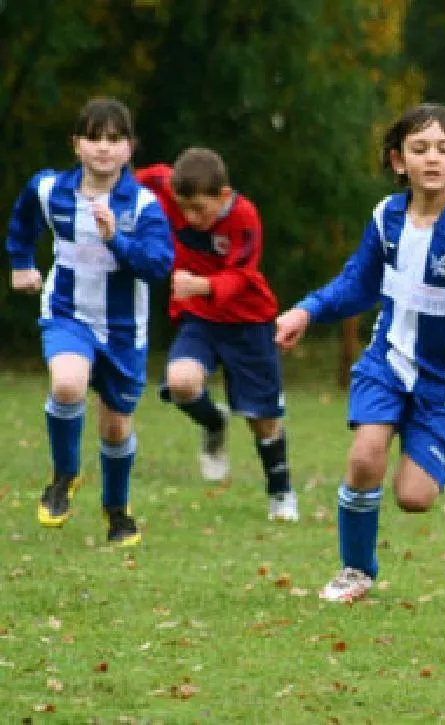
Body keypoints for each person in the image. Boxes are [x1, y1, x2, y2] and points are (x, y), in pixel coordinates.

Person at [275, 103, 445, 602]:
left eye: (443, 148)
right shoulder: (386, 218)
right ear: (399, 161)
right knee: (364, 457)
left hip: (444, 385)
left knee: (414, 497)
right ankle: (356, 570)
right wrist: (306, 312)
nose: (432, 158)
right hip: (388, 362)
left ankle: (439, 444)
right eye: (420, 149)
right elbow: (358, 283)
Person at [5, 96, 174, 546]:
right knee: (67, 385)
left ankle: (116, 510)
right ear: (76, 144)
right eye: (93, 138)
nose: (103, 147)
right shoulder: (50, 189)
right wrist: (21, 261)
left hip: (123, 330)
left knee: (115, 428)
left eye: (114, 139)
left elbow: (158, 265)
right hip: (68, 313)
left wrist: (116, 239)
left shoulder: (143, 205)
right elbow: (23, 219)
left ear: (130, 147)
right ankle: (64, 475)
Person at [136, 148, 299, 523]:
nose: (191, 218)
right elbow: (126, 179)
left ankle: (281, 492)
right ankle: (214, 423)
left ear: (223, 196)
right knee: (180, 382)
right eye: (184, 209)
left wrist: (202, 285)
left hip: (248, 322)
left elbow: (242, 274)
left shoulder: (244, 217)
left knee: (262, 417)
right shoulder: (163, 183)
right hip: (200, 319)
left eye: (199, 209)